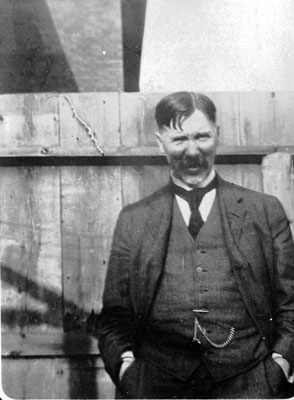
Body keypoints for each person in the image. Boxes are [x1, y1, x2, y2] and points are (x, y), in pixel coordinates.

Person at [97, 92, 294, 399]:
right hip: (156, 386)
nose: (192, 151)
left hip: (252, 384)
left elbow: (290, 304)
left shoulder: (264, 212)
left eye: (202, 136)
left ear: (219, 135)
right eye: (179, 139)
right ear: (159, 142)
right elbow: (114, 316)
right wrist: (127, 371)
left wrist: (280, 364)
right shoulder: (133, 220)